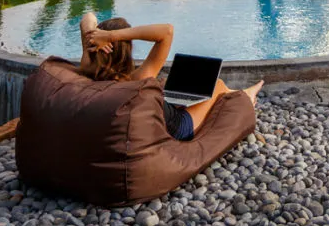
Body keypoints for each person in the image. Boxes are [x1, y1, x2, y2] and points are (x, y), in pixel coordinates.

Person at [78, 13, 263, 142]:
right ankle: (245, 97)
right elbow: (167, 31)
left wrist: (91, 37)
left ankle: (238, 93)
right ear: (127, 50)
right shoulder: (138, 80)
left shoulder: (88, 67)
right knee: (218, 86)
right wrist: (112, 36)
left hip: (162, 109)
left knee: (169, 85)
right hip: (178, 127)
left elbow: (87, 17)